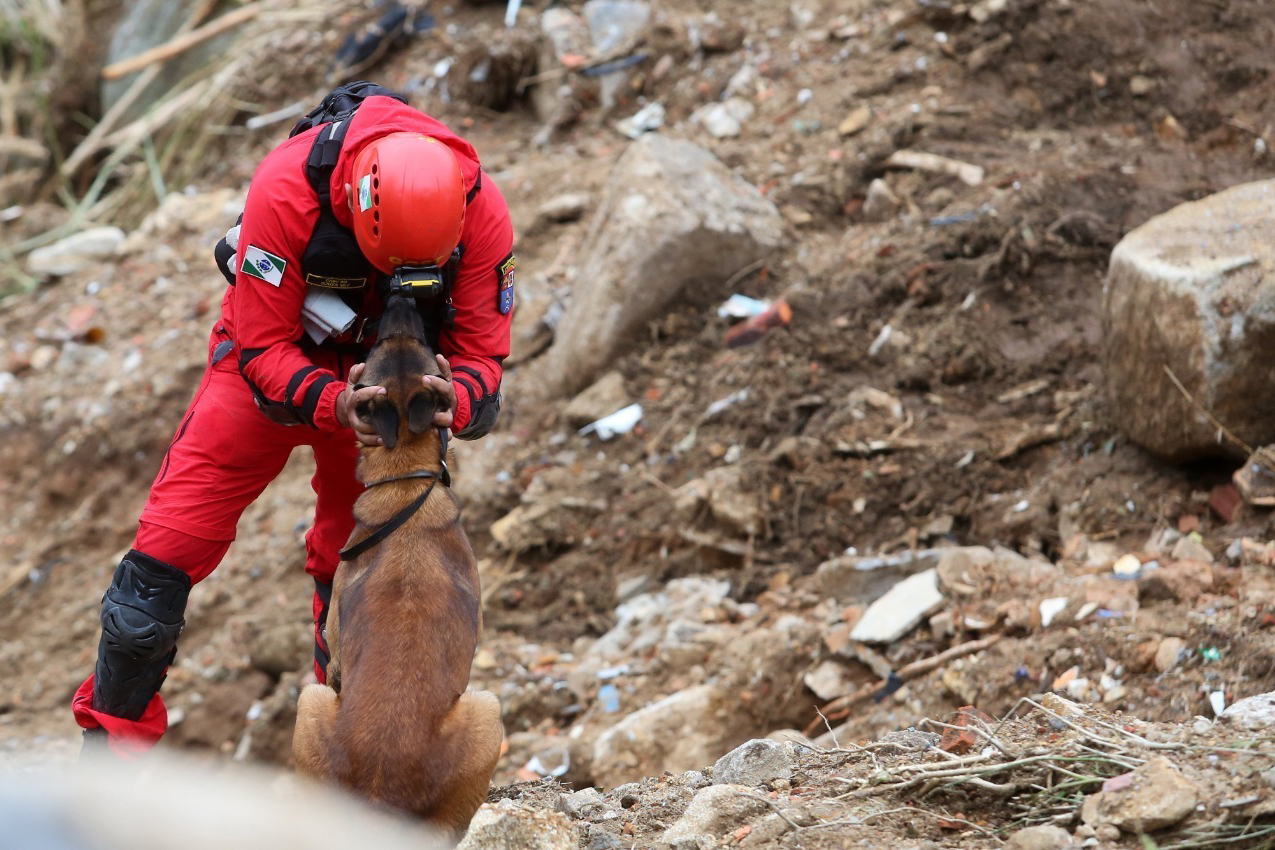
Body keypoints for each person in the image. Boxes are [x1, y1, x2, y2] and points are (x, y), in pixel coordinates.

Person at [71, 84, 515, 757]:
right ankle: (105, 768)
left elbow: (483, 352)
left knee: (355, 584)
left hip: (383, 386)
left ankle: (343, 767)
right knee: (149, 590)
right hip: (271, 368)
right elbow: (261, 347)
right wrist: (335, 401)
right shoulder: (287, 188)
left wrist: (461, 394)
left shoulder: (478, 207)